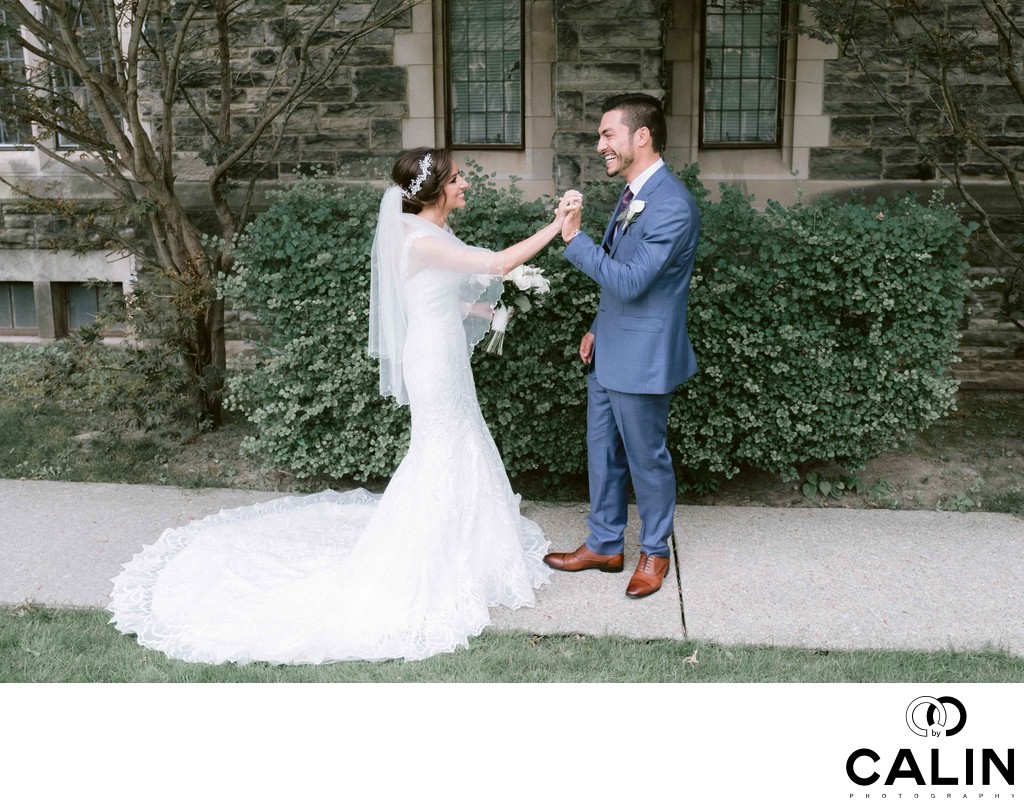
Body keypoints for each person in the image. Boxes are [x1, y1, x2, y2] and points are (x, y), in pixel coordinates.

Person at [108, 147, 580, 664]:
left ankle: (468, 547)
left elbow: (426, 293)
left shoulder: (423, 233)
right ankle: (429, 557)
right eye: (459, 178)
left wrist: (477, 307)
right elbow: (494, 262)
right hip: (434, 361)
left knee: (455, 442)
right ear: (435, 188)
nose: (466, 184)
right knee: (444, 448)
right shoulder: (420, 236)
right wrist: (557, 224)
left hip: (440, 352)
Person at [543, 93, 700, 599]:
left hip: (644, 358)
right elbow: (620, 281)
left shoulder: (672, 204)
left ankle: (656, 552)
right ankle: (605, 544)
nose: (600, 145)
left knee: (646, 458)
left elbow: (633, 281)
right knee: (601, 453)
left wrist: (573, 240)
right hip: (611, 347)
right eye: (600, 136)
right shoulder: (634, 192)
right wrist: (597, 325)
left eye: (608, 134)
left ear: (641, 136)